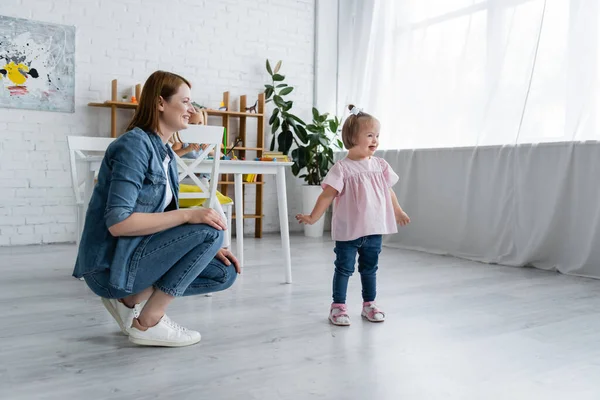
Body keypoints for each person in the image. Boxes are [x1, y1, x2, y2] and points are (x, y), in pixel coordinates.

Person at [73, 71, 240, 347]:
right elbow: (119, 223)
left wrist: (202, 247)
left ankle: (129, 300)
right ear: (161, 103)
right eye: (185, 102)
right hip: (109, 265)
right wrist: (189, 216)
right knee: (210, 228)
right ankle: (149, 321)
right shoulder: (134, 145)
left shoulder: (164, 153)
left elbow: (161, 221)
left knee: (224, 272)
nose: (191, 110)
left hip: (136, 255)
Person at [296, 105, 410, 326]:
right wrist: (312, 217)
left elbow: (388, 192)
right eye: (370, 135)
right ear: (352, 137)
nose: (375, 139)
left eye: (377, 135)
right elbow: (327, 196)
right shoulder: (342, 169)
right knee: (344, 269)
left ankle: (369, 304)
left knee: (370, 269)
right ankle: (338, 307)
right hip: (349, 231)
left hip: (374, 229)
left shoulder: (380, 165)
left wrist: (398, 211)